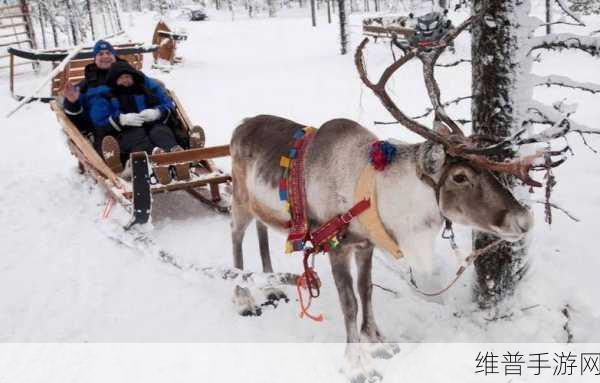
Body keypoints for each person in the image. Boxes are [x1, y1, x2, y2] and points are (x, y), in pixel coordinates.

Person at [89, 60, 186, 183]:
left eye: (128, 76)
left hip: (152, 125)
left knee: (161, 131)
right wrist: (121, 119)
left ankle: (176, 157)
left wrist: (157, 112)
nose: (125, 80)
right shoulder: (106, 96)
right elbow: (98, 119)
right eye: (121, 78)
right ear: (114, 80)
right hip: (125, 133)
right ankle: (150, 165)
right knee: (137, 137)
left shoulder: (144, 91)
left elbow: (167, 104)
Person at [62, 40, 119, 145]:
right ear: (95, 59)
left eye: (108, 53)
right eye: (100, 54)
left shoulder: (127, 76)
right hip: (103, 132)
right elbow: (78, 119)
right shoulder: (86, 84)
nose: (105, 56)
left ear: (114, 56)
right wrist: (72, 102)